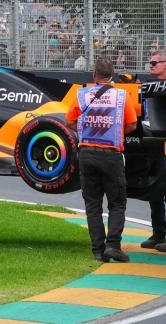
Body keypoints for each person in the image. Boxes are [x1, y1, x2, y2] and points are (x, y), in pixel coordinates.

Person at [65, 58, 138, 263]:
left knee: (93, 203)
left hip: (87, 152)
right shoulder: (122, 96)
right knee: (117, 203)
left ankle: (98, 249)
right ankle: (113, 246)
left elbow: (69, 122)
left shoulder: (81, 94)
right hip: (112, 154)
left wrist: (86, 128)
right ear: (112, 74)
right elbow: (132, 125)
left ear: (93, 74)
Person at [141, 49, 166, 253]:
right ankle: (158, 232)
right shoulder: (148, 87)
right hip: (152, 143)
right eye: (150, 62)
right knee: (153, 188)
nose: (151, 65)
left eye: (155, 62)